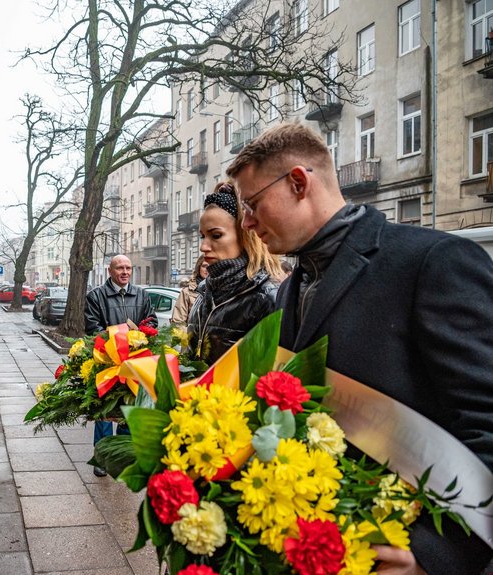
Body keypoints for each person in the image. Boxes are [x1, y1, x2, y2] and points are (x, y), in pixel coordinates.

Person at [226, 122, 493, 575]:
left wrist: (434, 556)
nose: (246, 222)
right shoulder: (292, 287)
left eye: (252, 204)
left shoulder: (433, 262)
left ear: (298, 182)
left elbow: (486, 421)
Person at [186, 182, 284, 364]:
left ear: (245, 235)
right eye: (202, 236)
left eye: (215, 236)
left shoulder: (267, 296)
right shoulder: (203, 292)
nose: (203, 247)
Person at [85, 254, 157, 476]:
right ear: (110, 271)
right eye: (120, 268)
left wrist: (141, 336)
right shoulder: (96, 296)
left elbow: (151, 321)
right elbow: (92, 327)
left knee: (129, 408)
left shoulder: (141, 294)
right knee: (106, 411)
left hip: (135, 362)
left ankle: (123, 457)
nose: (125, 272)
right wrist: (116, 341)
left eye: (128, 268)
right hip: (108, 362)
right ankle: (102, 458)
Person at [171, 255, 208, 327]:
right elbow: (178, 322)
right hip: (192, 336)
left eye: (212, 266)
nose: (208, 269)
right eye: (204, 266)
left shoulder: (222, 290)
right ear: (198, 268)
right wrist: (189, 337)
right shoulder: (187, 292)